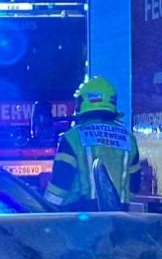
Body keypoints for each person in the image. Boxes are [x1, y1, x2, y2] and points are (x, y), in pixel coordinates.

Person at [44, 76, 140, 211]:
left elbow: (60, 185)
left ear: (83, 102)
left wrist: (45, 210)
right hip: (119, 215)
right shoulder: (129, 139)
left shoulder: (73, 137)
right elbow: (135, 186)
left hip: (82, 216)